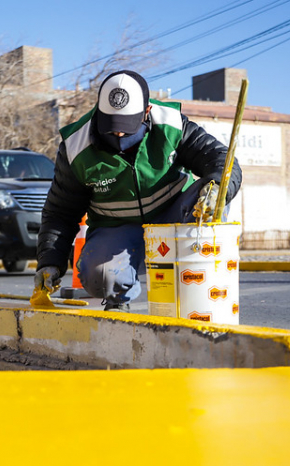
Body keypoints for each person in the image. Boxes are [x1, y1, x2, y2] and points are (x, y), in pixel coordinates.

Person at [35, 70, 242, 311]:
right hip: (117, 229)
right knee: (99, 275)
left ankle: (196, 292)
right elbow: (60, 212)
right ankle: (117, 303)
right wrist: (49, 262)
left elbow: (221, 160)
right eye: (111, 127)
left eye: (126, 126)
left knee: (213, 190)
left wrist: (216, 188)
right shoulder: (76, 148)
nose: (119, 134)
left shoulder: (171, 125)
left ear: (146, 112)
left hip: (176, 218)